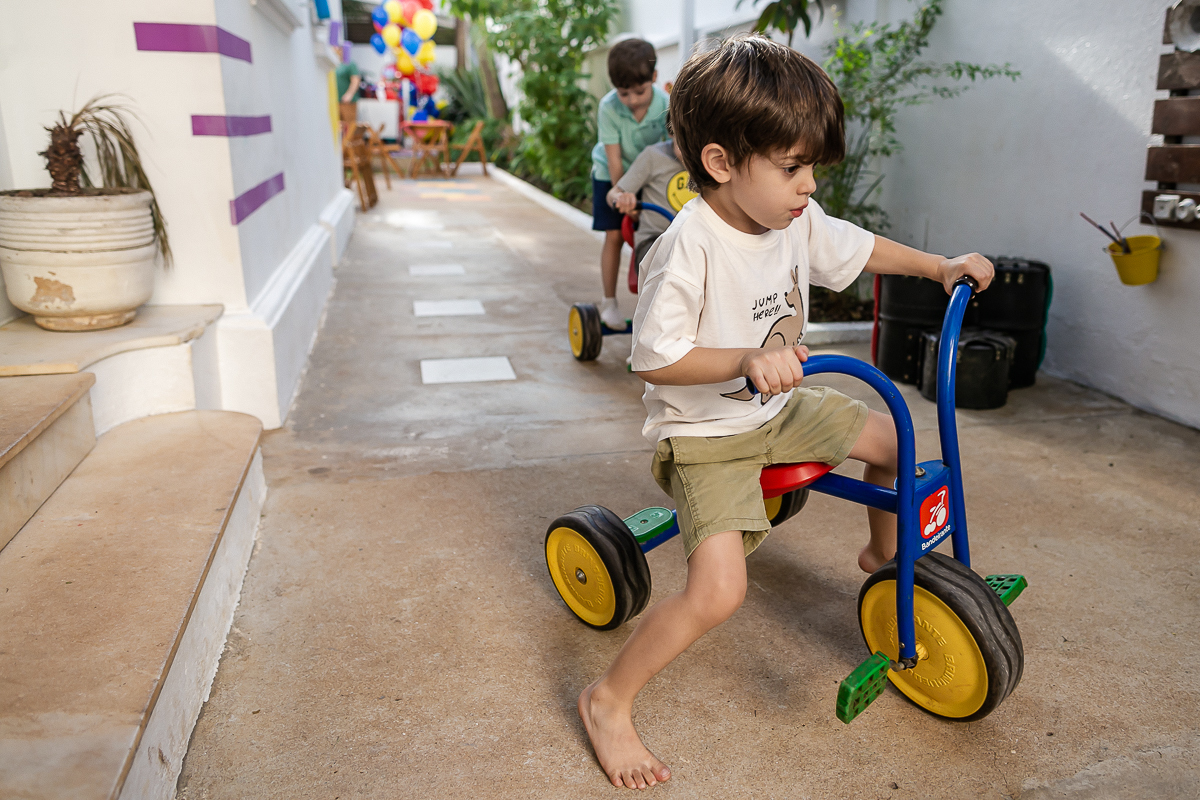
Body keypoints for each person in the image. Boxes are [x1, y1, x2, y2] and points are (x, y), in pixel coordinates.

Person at [576, 34, 995, 790]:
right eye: (794, 167)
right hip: (707, 435)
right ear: (720, 163)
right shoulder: (687, 248)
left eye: (812, 168)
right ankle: (608, 701)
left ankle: (881, 559)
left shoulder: (794, 219)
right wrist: (741, 360)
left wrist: (939, 267)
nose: (808, 186)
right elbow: (654, 358)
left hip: (778, 408)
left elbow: (860, 247)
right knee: (719, 592)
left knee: (897, 443)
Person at [590, 38, 669, 331]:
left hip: (650, 176)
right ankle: (609, 301)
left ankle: (655, 307)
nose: (633, 100)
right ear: (615, 89)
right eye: (624, 93)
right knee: (613, 235)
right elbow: (614, 163)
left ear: (654, 78)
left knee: (656, 234)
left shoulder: (665, 104)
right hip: (610, 176)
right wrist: (623, 200)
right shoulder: (609, 108)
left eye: (640, 91)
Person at [607, 139, 696, 274]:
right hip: (654, 240)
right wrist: (621, 199)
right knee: (669, 267)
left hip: (695, 241)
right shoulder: (653, 156)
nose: (689, 151)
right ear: (671, 134)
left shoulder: (711, 162)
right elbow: (613, 194)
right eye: (682, 141)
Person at [336, 58, 361, 124]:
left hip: (347, 102)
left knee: (349, 127)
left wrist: (349, 95)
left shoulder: (350, 64)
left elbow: (355, 80)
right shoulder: (334, 63)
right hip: (335, 101)